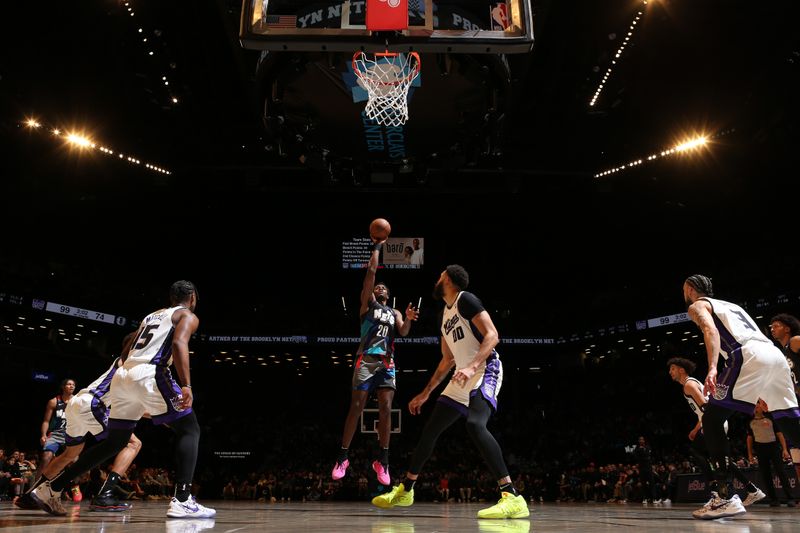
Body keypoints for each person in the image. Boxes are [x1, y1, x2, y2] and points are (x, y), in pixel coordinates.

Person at [31, 281, 215, 519]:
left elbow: (126, 353)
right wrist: (186, 385)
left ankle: (52, 488)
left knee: (114, 443)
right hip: (151, 373)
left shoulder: (151, 316)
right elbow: (180, 343)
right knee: (190, 429)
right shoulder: (187, 315)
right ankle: (182, 500)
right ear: (192, 297)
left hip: (124, 375)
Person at [371, 265, 529, 519]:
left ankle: (512, 496)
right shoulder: (443, 314)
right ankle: (406, 490)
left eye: (440, 276)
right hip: (461, 375)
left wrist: (472, 366)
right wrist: (426, 393)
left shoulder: (466, 299)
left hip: (485, 368)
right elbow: (446, 360)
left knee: (476, 424)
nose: (437, 278)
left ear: (450, 281)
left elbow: (492, 335)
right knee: (431, 429)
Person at [682, 274, 800, 520]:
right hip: (774, 355)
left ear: (691, 289)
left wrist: (713, 366)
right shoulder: (732, 306)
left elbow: (709, 329)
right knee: (791, 424)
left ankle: (725, 497)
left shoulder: (697, 305)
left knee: (712, 420)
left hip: (747, 355)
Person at [15, 332, 144, 512]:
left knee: (70, 453)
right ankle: (105, 494)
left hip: (77, 403)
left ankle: (32, 494)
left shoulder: (124, 366)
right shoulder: (130, 361)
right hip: (92, 404)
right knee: (133, 443)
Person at [332, 237, 418, 486]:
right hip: (366, 360)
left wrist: (409, 318)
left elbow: (402, 332)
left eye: (383, 288)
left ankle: (383, 460)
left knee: (386, 409)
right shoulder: (366, 306)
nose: (380, 288)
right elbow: (371, 272)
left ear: (388, 295)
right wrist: (378, 247)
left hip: (387, 363)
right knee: (356, 407)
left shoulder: (395, 313)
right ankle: (343, 456)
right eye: (377, 287)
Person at [667, 357, 765, 507]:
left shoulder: (688, 385)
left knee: (698, 452)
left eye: (672, 368)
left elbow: (705, 407)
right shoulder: (693, 382)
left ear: (681, 369)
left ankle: (718, 491)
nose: (670, 372)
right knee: (721, 459)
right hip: (713, 421)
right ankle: (751, 489)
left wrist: (707, 426)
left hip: (714, 422)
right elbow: (703, 411)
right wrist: (696, 428)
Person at [746, 399, 796, 507]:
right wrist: (750, 454)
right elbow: (749, 438)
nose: (756, 407)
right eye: (754, 405)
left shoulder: (770, 417)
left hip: (773, 447)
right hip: (760, 448)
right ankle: (774, 499)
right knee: (766, 475)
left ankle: (790, 498)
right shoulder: (750, 421)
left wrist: (784, 449)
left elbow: (779, 434)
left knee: (781, 472)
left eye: (757, 405)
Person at [768, 313, 800, 479]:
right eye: (771, 327)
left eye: (776, 326)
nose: (772, 329)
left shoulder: (795, 341)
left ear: (787, 328)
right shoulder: (782, 353)